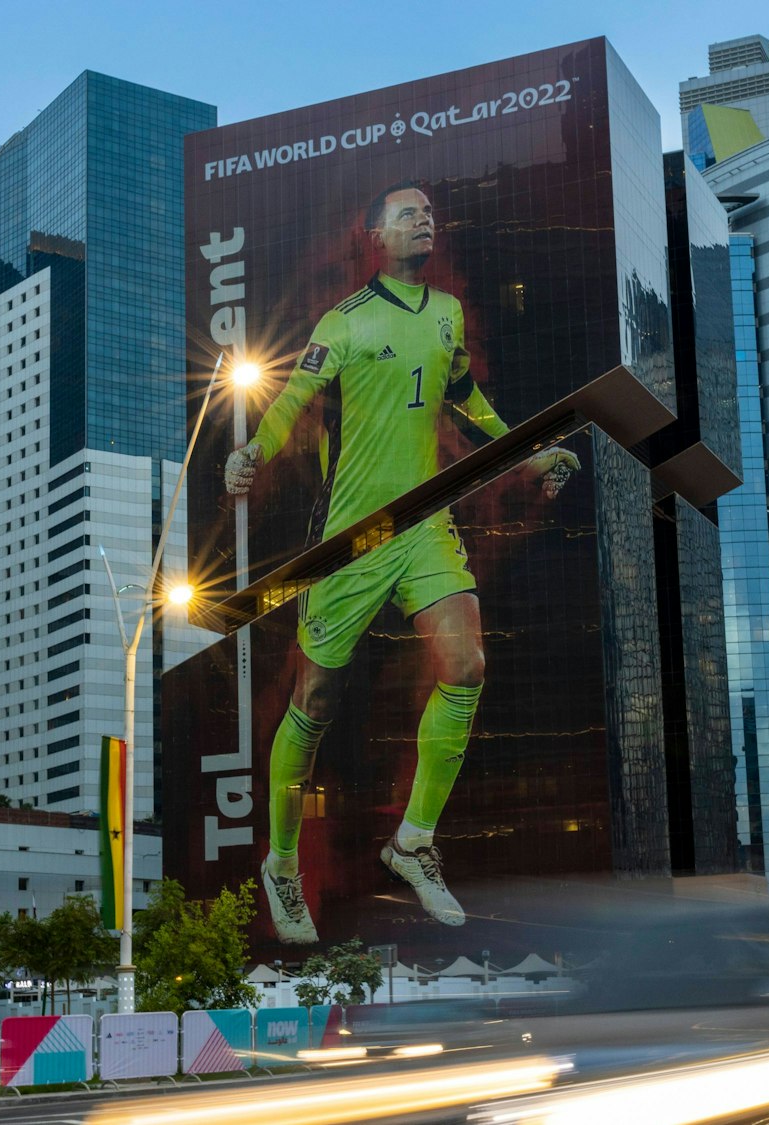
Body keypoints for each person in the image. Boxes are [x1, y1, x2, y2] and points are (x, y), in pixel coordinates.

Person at [223, 181, 578, 943]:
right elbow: (289, 401)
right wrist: (252, 448)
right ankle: (281, 863)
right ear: (377, 237)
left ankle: (413, 841)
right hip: (350, 536)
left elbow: (466, 400)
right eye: (408, 214)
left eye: (428, 213)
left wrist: (531, 451)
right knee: (314, 701)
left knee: (468, 662)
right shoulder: (344, 322)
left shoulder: (446, 315)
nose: (426, 220)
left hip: (422, 523)